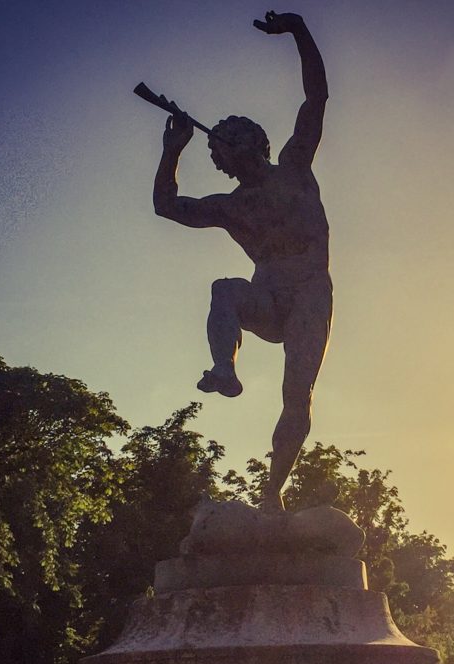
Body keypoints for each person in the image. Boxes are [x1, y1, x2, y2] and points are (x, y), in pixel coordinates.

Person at [152, 10, 331, 512]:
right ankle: (223, 368)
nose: (221, 152)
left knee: (297, 391)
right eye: (216, 149)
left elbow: (315, 98)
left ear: (254, 143)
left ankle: (273, 491)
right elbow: (167, 206)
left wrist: (298, 29)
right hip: (268, 294)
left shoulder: (294, 166)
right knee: (224, 288)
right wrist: (172, 150)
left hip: (310, 291)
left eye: (226, 140)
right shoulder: (229, 207)